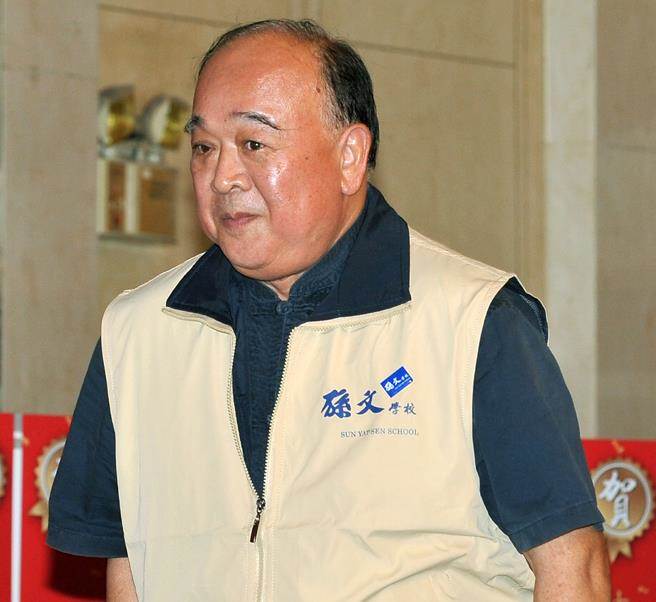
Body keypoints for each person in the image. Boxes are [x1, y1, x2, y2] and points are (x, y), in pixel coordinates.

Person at [48, 19, 610, 601]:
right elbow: (129, 566)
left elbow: (573, 568)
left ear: (349, 155)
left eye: (253, 144)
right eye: (204, 147)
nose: (222, 177)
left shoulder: (472, 321)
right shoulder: (137, 333)